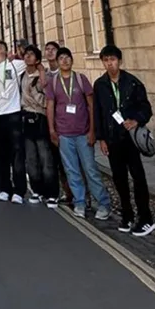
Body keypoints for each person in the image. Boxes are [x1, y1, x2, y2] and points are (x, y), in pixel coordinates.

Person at [94, 45, 155, 236]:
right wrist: (101, 138)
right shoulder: (100, 85)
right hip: (113, 139)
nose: (109, 63)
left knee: (138, 177)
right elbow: (98, 113)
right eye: (106, 60)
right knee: (119, 179)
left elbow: (146, 108)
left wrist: (136, 120)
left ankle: (146, 218)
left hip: (130, 139)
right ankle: (127, 215)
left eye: (112, 59)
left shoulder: (133, 83)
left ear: (119, 61)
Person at [45, 47, 111, 220]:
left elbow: (91, 105)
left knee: (90, 169)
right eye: (61, 58)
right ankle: (79, 202)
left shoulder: (81, 80)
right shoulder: (53, 82)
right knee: (72, 170)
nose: (65, 61)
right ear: (57, 62)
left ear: (72, 60)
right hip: (64, 134)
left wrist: (92, 130)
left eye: (68, 57)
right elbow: (50, 106)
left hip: (83, 133)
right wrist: (52, 130)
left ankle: (103, 203)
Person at [0, 39, 27, 203]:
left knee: (17, 153)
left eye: (2, 46)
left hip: (14, 112)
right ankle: (4, 188)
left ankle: (19, 190)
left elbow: (34, 62)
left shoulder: (16, 65)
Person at [21, 45, 58, 208]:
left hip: (40, 118)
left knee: (45, 158)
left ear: (37, 59)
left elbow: (47, 99)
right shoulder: (22, 75)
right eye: (26, 54)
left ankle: (52, 193)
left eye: (31, 55)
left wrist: (41, 72)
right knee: (31, 158)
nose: (28, 57)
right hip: (25, 118)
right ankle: (37, 190)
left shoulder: (44, 77)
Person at [44, 39, 73, 205]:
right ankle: (67, 192)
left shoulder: (66, 73)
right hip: (51, 122)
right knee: (55, 161)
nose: (49, 52)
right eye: (47, 49)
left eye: (52, 49)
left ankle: (80, 195)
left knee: (70, 162)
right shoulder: (46, 75)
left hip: (67, 123)